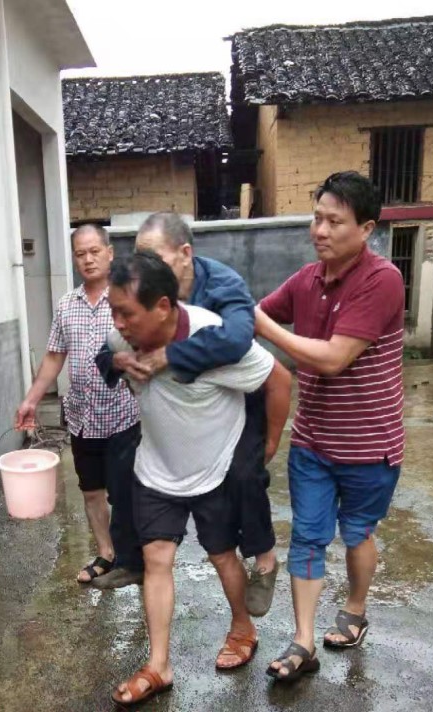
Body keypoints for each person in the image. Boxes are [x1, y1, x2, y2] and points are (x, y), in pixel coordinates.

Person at [104, 252, 292, 707]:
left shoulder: (216, 340)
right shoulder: (121, 339)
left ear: (164, 307)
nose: (118, 324)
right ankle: (159, 665)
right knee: (156, 560)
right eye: (113, 312)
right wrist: (118, 363)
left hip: (214, 468)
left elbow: (279, 378)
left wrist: (267, 444)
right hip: (157, 470)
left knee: (222, 556)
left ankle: (242, 627)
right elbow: (108, 358)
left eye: (126, 312)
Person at [255, 171, 405, 682]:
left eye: (333, 221)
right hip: (314, 443)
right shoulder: (305, 280)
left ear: (364, 229)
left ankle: (356, 610)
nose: (319, 230)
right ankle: (303, 641)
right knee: (308, 537)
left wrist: (266, 328)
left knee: (358, 532)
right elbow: (254, 313)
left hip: (369, 445)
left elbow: (334, 358)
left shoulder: (383, 279)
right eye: (316, 218)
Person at [95, 212, 282, 617]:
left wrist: (170, 355)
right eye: (141, 257)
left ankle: (264, 561)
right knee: (126, 460)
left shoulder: (222, 286)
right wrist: (120, 360)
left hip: (235, 396)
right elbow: (107, 352)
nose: (148, 268)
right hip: (178, 407)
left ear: (184, 254)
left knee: (245, 475)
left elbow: (235, 341)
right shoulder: (139, 298)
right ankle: (132, 559)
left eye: (155, 257)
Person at [15, 225, 142, 587]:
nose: (87, 259)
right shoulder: (67, 305)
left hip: (122, 415)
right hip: (82, 416)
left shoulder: (126, 298)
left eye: (94, 252)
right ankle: (107, 553)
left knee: (125, 492)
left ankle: (134, 561)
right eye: (80, 254)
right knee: (91, 490)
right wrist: (31, 399)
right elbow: (55, 357)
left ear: (109, 253)